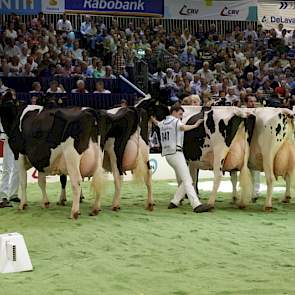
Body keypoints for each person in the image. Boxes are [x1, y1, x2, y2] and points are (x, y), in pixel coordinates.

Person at [152, 103, 212, 213]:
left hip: (168, 155)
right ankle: (196, 205)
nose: (181, 116)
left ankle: (175, 201)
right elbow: (182, 127)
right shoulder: (175, 121)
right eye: (180, 114)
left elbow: (156, 123)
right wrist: (195, 125)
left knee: (186, 179)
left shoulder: (163, 123)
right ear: (174, 112)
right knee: (188, 180)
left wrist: (152, 118)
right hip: (176, 153)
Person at [0, 91, 20, 208]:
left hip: (10, 138)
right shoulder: (9, 107)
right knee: (9, 167)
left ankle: (12, 194)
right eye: (13, 95)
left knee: (15, 167)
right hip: (10, 138)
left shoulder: (6, 107)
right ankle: (3, 196)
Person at [245, 95, 260, 201]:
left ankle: (255, 192)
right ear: (246, 103)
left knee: (255, 169)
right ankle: (245, 191)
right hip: (243, 143)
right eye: (250, 101)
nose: (253, 103)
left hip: (256, 144)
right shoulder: (242, 113)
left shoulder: (260, 114)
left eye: (254, 101)